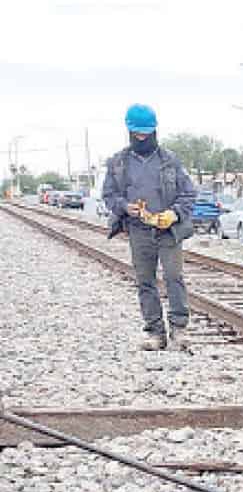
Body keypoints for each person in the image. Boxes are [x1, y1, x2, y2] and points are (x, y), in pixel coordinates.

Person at [102, 104, 197, 350]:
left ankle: (179, 330)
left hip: (168, 230)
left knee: (174, 277)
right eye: (137, 133)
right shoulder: (117, 163)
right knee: (145, 280)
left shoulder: (170, 160)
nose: (142, 137)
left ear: (155, 130)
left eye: (146, 132)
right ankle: (155, 332)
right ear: (129, 131)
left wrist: (174, 214)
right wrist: (124, 207)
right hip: (138, 230)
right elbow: (109, 195)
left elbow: (188, 194)